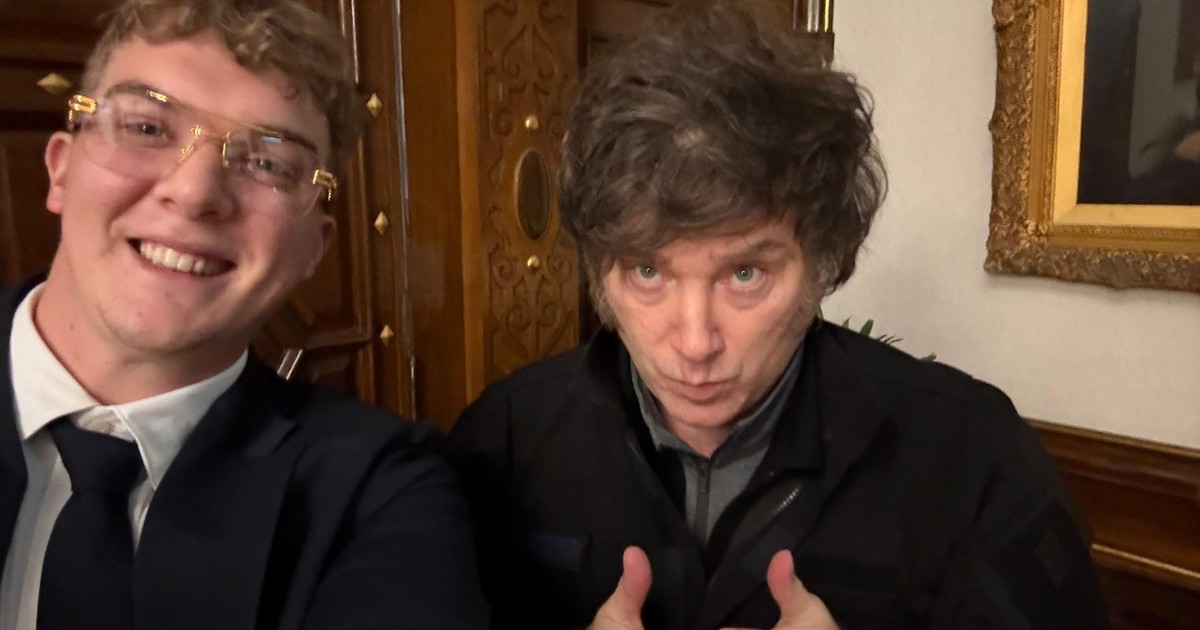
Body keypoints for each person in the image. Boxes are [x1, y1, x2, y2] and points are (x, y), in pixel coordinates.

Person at [447, 1, 1110, 628]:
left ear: (822, 261)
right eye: (649, 272)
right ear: (600, 271)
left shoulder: (973, 461)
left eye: (745, 274)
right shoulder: (503, 440)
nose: (695, 342)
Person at [0, 1, 486, 628]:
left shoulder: (378, 493)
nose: (195, 192)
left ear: (315, 249)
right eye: (148, 127)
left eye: (268, 164)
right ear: (61, 170)